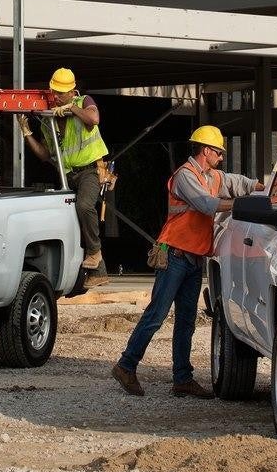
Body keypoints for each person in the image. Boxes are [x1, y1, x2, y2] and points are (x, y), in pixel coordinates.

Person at [110, 125, 264, 398]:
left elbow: (235, 182)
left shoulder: (212, 176)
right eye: (218, 152)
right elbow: (207, 204)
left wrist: (260, 187)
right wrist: (243, 204)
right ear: (206, 151)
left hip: (192, 259)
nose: (221, 157)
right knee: (156, 316)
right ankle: (126, 365)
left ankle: (182, 378)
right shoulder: (185, 176)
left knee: (186, 320)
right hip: (176, 255)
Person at [17, 68, 110, 288]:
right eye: (54, 91)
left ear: (71, 91)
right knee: (72, 218)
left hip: (90, 170)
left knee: (85, 206)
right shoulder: (50, 115)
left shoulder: (83, 101)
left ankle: (95, 252)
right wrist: (27, 134)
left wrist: (72, 108)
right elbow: (45, 155)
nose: (56, 96)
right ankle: (95, 273)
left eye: (60, 92)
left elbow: (93, 118)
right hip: (68, 174)